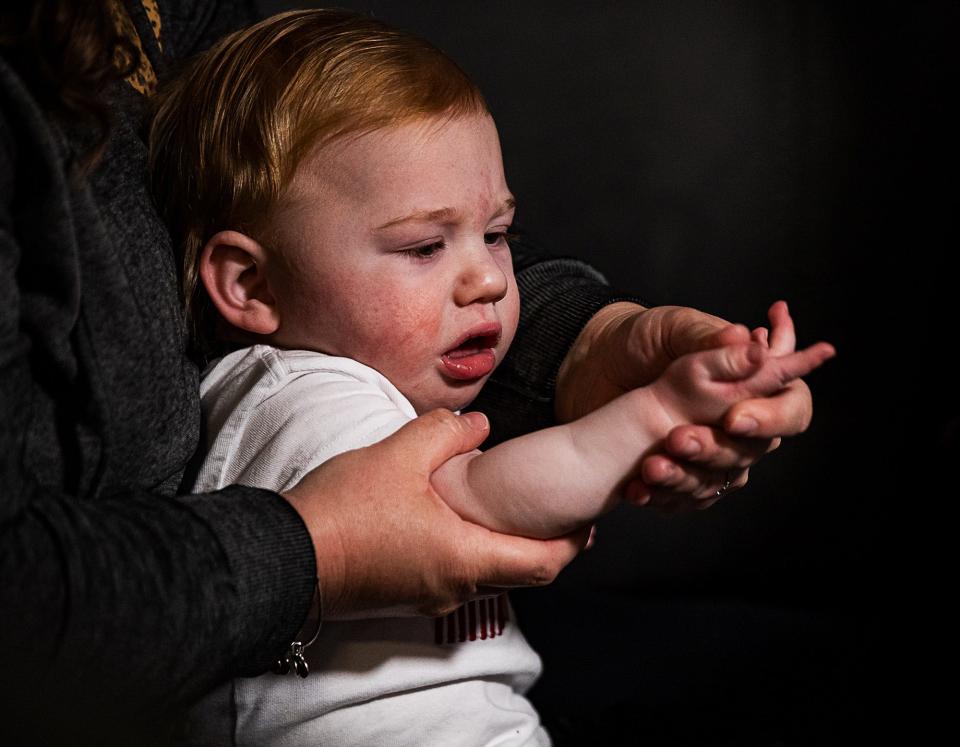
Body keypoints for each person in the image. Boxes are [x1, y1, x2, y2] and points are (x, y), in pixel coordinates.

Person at [0, 2, 819, 742]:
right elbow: (494, 501)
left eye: (496, 234)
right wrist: (649, 417)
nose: (491, 281)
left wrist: (600, 341)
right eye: (426, 247)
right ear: (250, 285)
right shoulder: (307, 399)